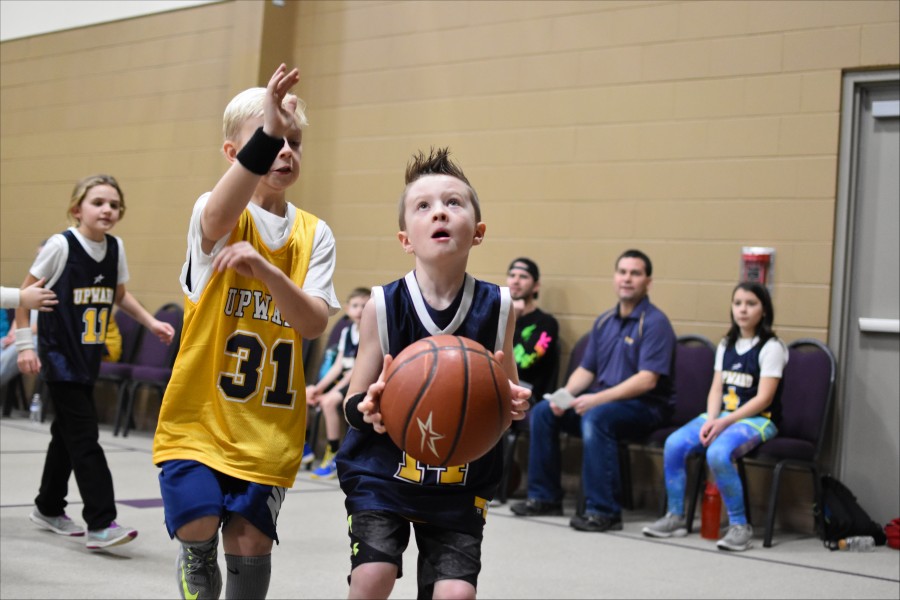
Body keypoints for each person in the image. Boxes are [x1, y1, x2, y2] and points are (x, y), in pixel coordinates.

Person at [151, 63, 340, 600]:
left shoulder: (315, 233)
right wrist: (271, 129)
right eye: (271, 140)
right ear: (235, 153)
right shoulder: (214, 214)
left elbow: (311, 323)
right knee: (199, 526)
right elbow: (218, 214)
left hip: (269, 422)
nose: (285, 151)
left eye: (293, 141)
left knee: (251, 543)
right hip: (200, 416)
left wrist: (268, 273)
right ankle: (193, 556)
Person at [335, 147, 531, 599]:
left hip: (460, 481)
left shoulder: (500, 306)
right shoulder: (383, 306)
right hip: (384, 474)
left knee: (456, 595)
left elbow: (508, 394)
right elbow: (351, 402)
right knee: (372, 576)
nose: (439, 212)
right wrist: (367, 408)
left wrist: (515, 405)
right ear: (405, 237)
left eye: (453, 203)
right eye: (423, 206)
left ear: (477, 232)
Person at [15, 173, 176, 549]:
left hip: (88, 358)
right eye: (98, 202)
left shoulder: (115, 248)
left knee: (65, 436)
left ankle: (48, 506)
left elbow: (119, 295)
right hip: (59, 357)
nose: (107, 209)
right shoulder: (60, 246)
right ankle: (101, 521)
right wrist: (25, 346)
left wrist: (151, 322)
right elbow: (23, 296)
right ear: (77, 209)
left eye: (114, 204)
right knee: (86, 438)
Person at [511, 249, 676, 533]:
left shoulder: (654, 323)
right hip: (602, 403)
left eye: (635, 273)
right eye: (622, 272)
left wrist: (596, 399)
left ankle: (604, 511)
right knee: (543, 412)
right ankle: (544, 497)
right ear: (614, 278)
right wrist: (562, 397)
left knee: (597, 417)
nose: (627, 279)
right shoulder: (604, 322)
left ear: (647, 281)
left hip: (645, 407)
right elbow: (587, 370)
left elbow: (647, 380)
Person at [642, 281, 787, 552]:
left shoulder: (772, 347)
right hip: (721, 415)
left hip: (758, 419)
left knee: (718, 453)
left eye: (751, 304)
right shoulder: (726, 343)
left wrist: (724, 422)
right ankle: (675, 516)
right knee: (674, 443)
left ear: (764, 310)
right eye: (738, 303)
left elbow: (764, 398)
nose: (743, 309)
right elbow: (716, 387)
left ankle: (739, 527)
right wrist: (711, 419)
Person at [305, 286, 370, 479]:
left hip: (361, 382)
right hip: (345, 380)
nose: (359, 310)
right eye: (355, 305)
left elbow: (355, 371)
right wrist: (318, 388)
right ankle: (304, 449)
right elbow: (337, 366)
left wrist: (328, 393)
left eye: (364, 306)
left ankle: (334, 454)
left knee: (329, 401)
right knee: (308, 394)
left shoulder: (369, 331)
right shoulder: (347, 332)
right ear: (348, 309)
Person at [506, 257, 559, 404]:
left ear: (535, 286)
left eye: (523, 277)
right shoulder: (497, 316)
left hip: (528, 391)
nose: (516, 281)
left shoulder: (546, 323)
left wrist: (513, 321)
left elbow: (523, 363)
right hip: (498, 382)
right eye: (512, 275)